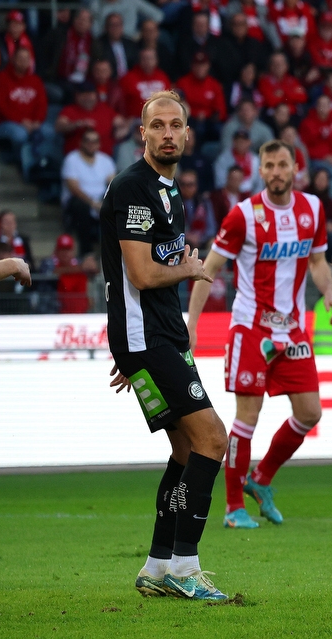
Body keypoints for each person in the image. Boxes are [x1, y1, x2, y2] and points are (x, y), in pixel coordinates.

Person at [101, 90, 228, 600]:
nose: (169, 133)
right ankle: (184, 565)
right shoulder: (134, 187)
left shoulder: (168, 191)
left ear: (188, 134)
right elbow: (141, 271)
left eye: (177, 125)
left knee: (185, 447)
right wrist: (190, 270)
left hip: (154, 337)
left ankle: (156, 567)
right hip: (147, 338)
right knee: (214, 439)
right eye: (159, 126)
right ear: (144, 133)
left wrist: (132, 353)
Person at [188, 139, 332, 529]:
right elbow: (207, 269)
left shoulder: (312, 209)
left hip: (293, 329)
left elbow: (319, 260)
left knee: (310, 413)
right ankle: (233, 507)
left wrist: (328, 294)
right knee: (247, 417)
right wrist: (190, 324)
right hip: (250, 327)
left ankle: (261, 479)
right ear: (260, 171)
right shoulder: (243, 215)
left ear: (296, 168)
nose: (276, 172)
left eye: (282, 165)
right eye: (269, 165)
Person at [61, 129, 117, 256]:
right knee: (80, 206)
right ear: (81, 142)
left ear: (99, 144)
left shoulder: (106, 160)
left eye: (95, 141)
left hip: (100, 200)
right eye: (88, 141)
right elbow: (74, 188)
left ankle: (113, 253)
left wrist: (105, 202)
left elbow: (114, 184)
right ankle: (86, 252)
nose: (91, 144)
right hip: (79, 202)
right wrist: (93, 203)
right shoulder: (71, 160)